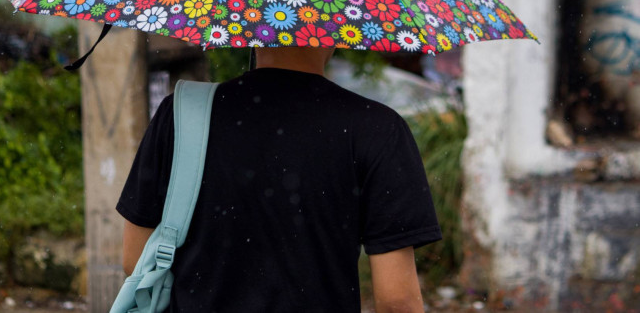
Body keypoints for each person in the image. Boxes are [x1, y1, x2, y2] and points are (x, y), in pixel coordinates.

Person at [117, 47, 441, 312]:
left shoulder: (181, 115)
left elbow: (135, 260)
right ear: (337, 23)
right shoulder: (377, 129)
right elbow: (397, 301)